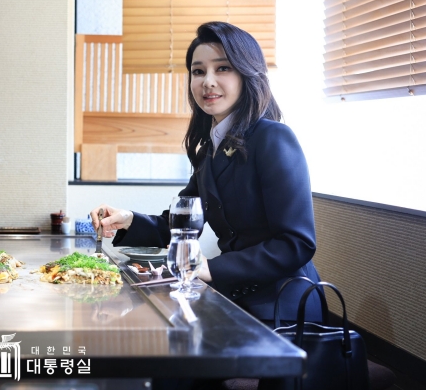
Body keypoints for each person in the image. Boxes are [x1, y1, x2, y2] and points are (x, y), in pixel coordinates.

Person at [91, 22, 322, 324]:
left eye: (223, 68)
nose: (207, 82)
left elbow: (297, 243)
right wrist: (128, 219)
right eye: (198, 71)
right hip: (235, 295)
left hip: (283, 305)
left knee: (173, 354)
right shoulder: (210, 149)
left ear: (247, 74)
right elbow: (181, 223)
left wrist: (212, 269)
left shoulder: (273, 138)